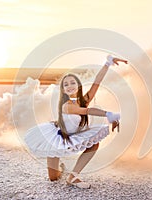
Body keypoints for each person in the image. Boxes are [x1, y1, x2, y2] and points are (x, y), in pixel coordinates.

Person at [24, 55, 128, 189]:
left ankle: (73, 176)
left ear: (78, 86)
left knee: (94, 143)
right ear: (63, 90)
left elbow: (97, 83)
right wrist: (109, 114)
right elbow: (87, 111)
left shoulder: (83, 101)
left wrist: (107, 63)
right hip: (59, 137)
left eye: (72, 83)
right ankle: (60, 168)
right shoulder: (66, 106)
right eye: (65, 84)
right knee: (53, 178)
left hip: (73, 134)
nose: (69, 86)